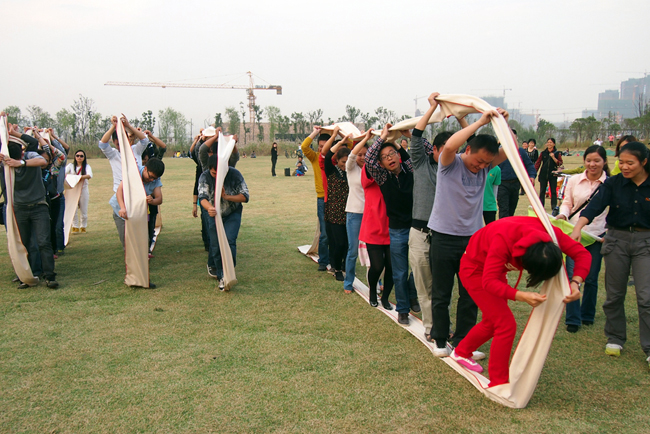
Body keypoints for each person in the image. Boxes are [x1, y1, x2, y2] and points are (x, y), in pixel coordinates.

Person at [450, 217, 587, 386]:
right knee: (505, 325)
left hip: (494, 268)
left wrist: (576, 282)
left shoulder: (550, 234)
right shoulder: (503, 239)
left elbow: (581, 253)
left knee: (493, 320)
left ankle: (462, 352)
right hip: (475, 270)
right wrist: (521, 295)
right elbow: (488, 282)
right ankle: (498, 382)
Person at [427, 108, 509, 357]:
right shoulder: (449, 164)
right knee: (442, 292)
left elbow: (511, 150)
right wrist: (480, 121)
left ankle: (464, 342)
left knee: (471, 293)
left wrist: (501, 124)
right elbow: (451, 145)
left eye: (487, 163)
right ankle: (440, 340)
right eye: (479, 161)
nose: (481, 167)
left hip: (473, 240)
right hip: (442, 236)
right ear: (468, 150)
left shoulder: (484, 168)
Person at [571, 142, 650, 367]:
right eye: (621, 162)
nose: (624, 167)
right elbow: (595, 206)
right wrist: (578, 227)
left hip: (646, 243)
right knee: (615, 294)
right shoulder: (613, 184)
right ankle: (615, 337)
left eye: (630, 163)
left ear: (643, 162)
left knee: (646, 297)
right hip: (617, 241)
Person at [409, 92, 457, 339]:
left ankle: (443, 327)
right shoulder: (421, 164)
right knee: (424, 287)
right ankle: (431, 328)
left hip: (443, 235)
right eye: (448, 150)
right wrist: (431, 109)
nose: (452, 155)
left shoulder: (456, 170)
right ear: (436, 149)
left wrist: (461, 119)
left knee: (442, 287)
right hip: (419, 234)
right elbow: (416, 137)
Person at [366, 123, 419, 325]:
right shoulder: (381, 177)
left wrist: (406, 138)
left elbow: (418, 156)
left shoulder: (411, 172)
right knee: (399, 271)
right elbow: (370, 159)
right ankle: (403, 310)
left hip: (417, 227)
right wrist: (383, 138)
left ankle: (413, 293)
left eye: (392, 154)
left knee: (421, 267)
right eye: (385, 157)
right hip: (396, 230)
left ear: (398, 155)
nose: (389, 158)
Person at [557, 145, 609, 333]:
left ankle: (587, 315)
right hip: (574, 234)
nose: (592, 164)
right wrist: (563, 215)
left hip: (596, 236)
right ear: (584, 161)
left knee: (592, 277)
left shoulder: (609, 184)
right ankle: (573, 318)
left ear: (604, 162)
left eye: (597, 160)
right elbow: (567, 203)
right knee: (573, 276)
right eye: (589, 160)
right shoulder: (574, 181)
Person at [1, 127, 59, 288]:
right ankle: (28, 276)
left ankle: (49, 276)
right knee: (25, 244)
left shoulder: (29, 156)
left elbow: (42, 160)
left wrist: (20, 161)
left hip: (38, 206)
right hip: (19, 208)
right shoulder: (4, 165)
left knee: (43, 242)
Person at [198, 154, 249, 290]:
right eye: (214, 173)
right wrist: (210, 208)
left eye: (219, 172)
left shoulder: (235, 174)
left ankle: (229, 271)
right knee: (215, 245)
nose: (216, 175)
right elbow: (202, 197)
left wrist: (226, 197)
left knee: (229, 240)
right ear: (210, 169)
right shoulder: (205, 176)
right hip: (213, 213)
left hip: (232, 212)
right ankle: (221, 276)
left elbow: (245, 196)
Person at [359, 158, 393, 308]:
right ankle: (373, 290)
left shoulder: (392, 174)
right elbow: (369, 160)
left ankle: (385, 298)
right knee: (377, 266)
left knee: (392, 267)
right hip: (373, 226)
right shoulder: (369, 174)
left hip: (392, 226)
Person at [343, 130, 372, 293]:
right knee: (353, 250)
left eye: (365, 154)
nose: (361, 157)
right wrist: (365, 138)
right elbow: (352, 155)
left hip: (370, 215)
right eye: (359, 154)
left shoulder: (372, 169)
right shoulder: (351, 168)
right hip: (354, 214)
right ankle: (348, 282)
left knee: (373, 251)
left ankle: (376, 281)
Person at [321, 129, 351, 283]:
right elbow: (326, 155)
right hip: (334, 212)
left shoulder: (351, 173)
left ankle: (343, 265)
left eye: (348, 162)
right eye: (343, 162)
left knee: (347, 242)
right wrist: (338, 140)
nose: (345, 165)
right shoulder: (331, 171)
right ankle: (336, 268)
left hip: (349, 212)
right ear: (337, 161)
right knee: (337, 242)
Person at [301, 127, 330, 271]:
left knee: (337, 232)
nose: (322, 149)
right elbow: (304, 146)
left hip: (337, 198)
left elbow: (349, 144)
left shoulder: (334, 157)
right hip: (322, 198)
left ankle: (337, 259)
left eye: (326, 146)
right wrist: (315, 133)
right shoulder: (314, 158)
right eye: (320, 146)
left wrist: (335, 133)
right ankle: (324, 261)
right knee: (324, 232)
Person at [65, 150, 93, 233]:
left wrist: (78, 177)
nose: (79, 157)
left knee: (84, 210)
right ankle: (75, 226)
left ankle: (83, 226)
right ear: (75, 157)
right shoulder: (70, 166)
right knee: (74, 209)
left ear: (84, 158)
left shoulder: (87, 166)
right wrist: (72, 178)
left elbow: (89, 175)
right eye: (77, 155)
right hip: (73, 189)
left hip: (83, 189)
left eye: (81, 156)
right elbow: (63, 174)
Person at [535, 138, 563, 211]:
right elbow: (538, 163)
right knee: (542, 191)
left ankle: (553, 206)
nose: (549, 144)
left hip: (553, 174)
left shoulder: (557, 153)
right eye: (548, 142)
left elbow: (560, 163)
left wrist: (553, 157)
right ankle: (541, 206)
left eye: (551, 142)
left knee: (553, 191)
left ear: (554, 144)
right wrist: (534, 172)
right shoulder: (543, 153)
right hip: (543, 173)